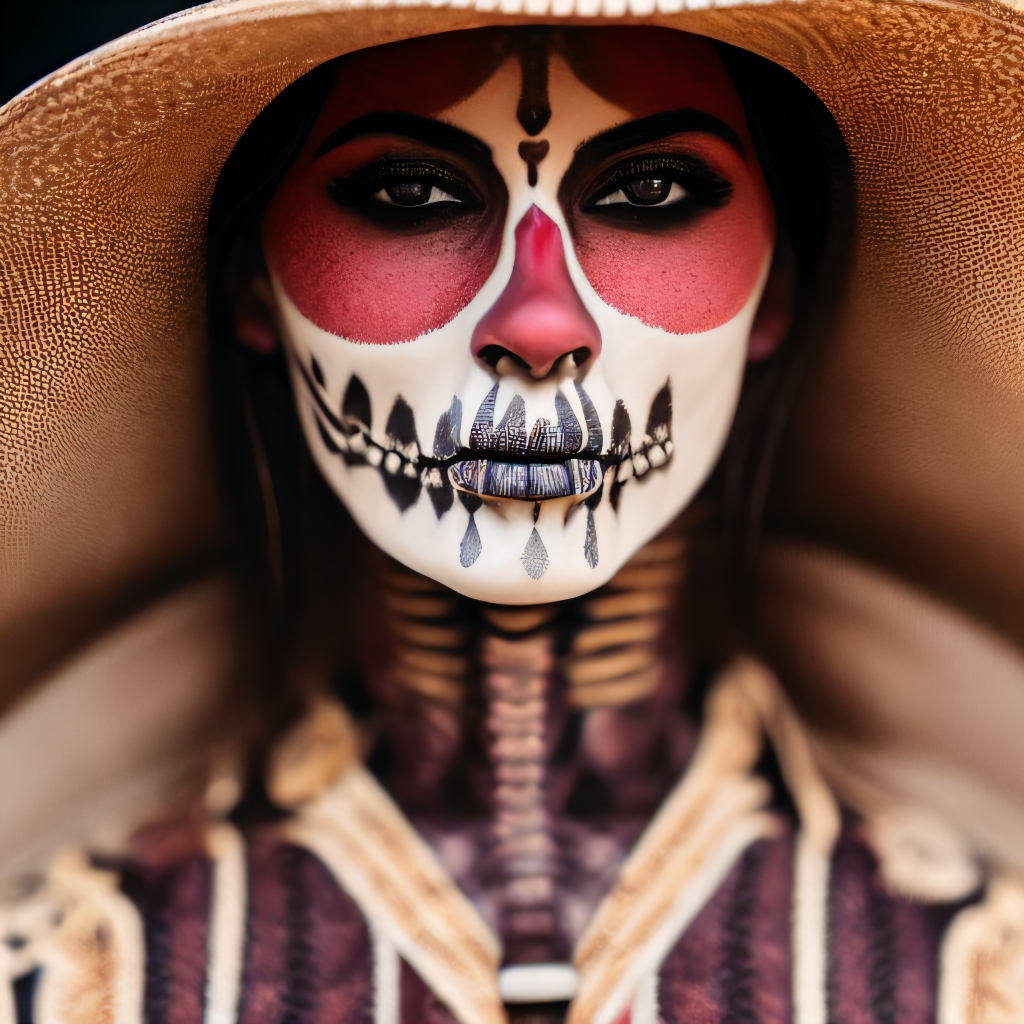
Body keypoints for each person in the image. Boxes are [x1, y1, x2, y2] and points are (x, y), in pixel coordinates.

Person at [1, 5, 1023, 1024]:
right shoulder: (71, 973)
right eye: (410, 194)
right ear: (249, 282)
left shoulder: (977, 971)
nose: (538, 322)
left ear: (780, 283)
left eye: (651, 190)